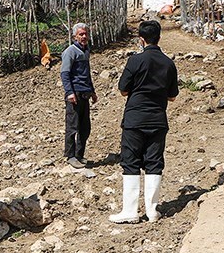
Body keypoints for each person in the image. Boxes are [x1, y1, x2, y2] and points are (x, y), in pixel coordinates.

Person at [110, 20, 178, 224]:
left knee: (130, 162)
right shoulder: (168, 63)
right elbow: (172, 96)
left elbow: (123, 90)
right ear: (159, 37)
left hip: (135, 119)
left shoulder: (135, 61)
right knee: (154, 162)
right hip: (158, 120)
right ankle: (152, 211)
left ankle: (130, 211)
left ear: (141, 39)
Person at [60, 22, 98, 169]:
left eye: (86, 34)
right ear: (75, 36)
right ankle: (70, 156)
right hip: (75, 93)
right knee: (72, 126)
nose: (84, 37)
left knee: (85, 127)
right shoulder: (70, 51)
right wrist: (69, 92)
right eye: (81, 34)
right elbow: (65, 73)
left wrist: (92, 91)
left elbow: (86, 73)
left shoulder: (86, 51)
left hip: (85, 93)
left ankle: (79, 155)